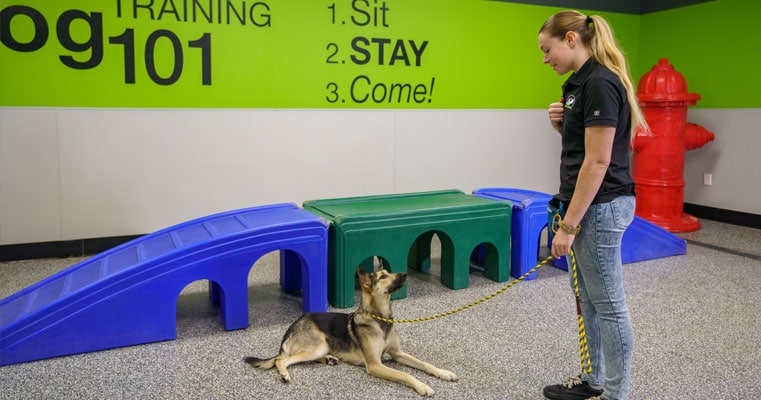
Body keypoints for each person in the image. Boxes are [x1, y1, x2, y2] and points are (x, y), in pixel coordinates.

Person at [537, 10, 647, 400]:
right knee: (589, 300)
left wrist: (568, 226)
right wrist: (562, 125)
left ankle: (617, 393)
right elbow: (585, 149)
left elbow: (599, 162)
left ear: (570, 39)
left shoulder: (599, 82)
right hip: (587, 205)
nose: (545, 58)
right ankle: (592, 379)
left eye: (547, 49)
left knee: (610, 305)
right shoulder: (577, 84)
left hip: (601, 208)